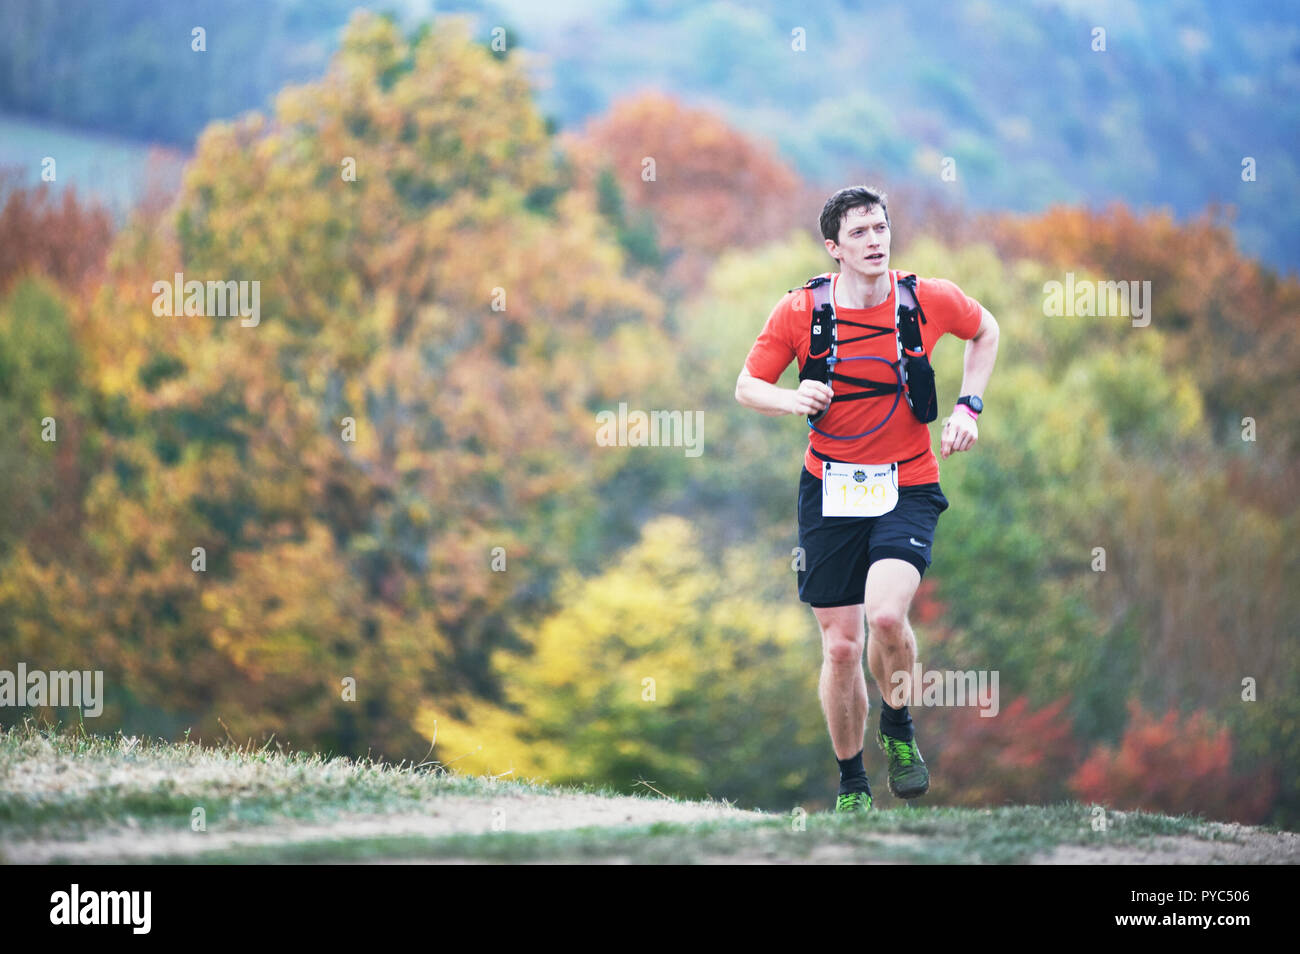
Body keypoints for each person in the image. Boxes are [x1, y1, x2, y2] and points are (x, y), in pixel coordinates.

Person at [734, 185, 1000, 813]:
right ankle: (853, 783)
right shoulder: (801, 311)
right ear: (833, 248)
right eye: (858, 233)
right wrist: (790, 399)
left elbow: (985, 330)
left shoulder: (926, 298)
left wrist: (970, 405)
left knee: (885, 616)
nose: (875, 240)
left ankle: (900, 728)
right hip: (829, 488)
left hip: (907, 483)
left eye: (880, 228)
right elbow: (747, 385)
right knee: (843, 647)